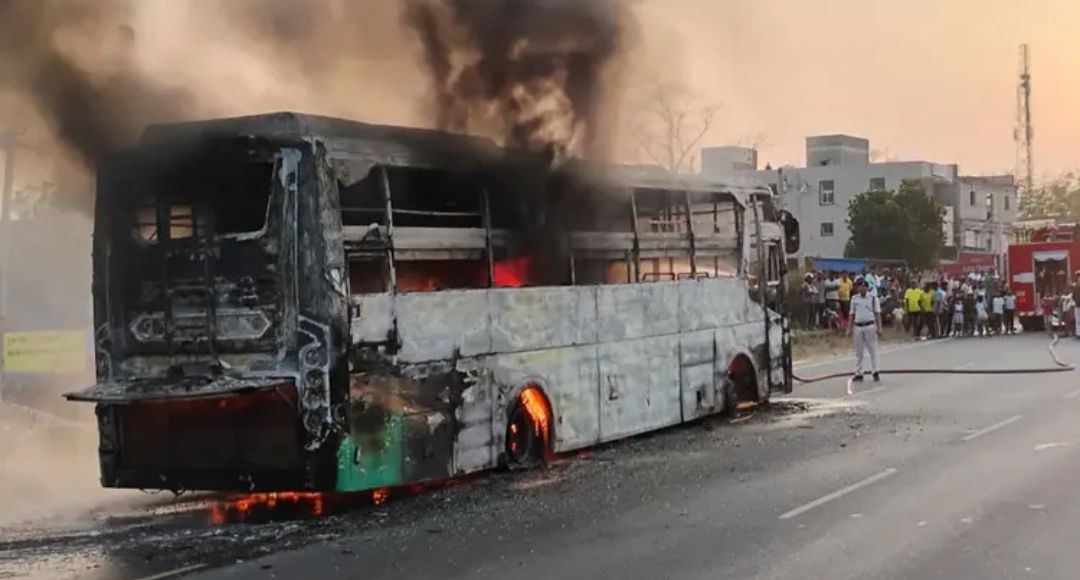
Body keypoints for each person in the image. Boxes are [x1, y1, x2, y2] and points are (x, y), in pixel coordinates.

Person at [848, 278, 882, 382]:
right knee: (859, 351)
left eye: (864, 286)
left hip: (870, 326)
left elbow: (877, 314)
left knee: (872, 349)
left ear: (867, 287)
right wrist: (849, 329)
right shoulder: (854, 299)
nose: (862, 288)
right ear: (858, 287)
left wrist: (879, 328)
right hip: (858, 326)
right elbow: (851, 314)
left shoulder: (872, 298)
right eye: (860, 286)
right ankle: (859, 372)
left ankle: (875, 371)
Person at [1072, 272, 1080, 338]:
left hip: (1078, 305)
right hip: (1078, 305)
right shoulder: (1075, 286)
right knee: (1078, 320)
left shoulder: (1075, 286)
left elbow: (1073, 296)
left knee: (1078, 320)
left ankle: (1078, 334)